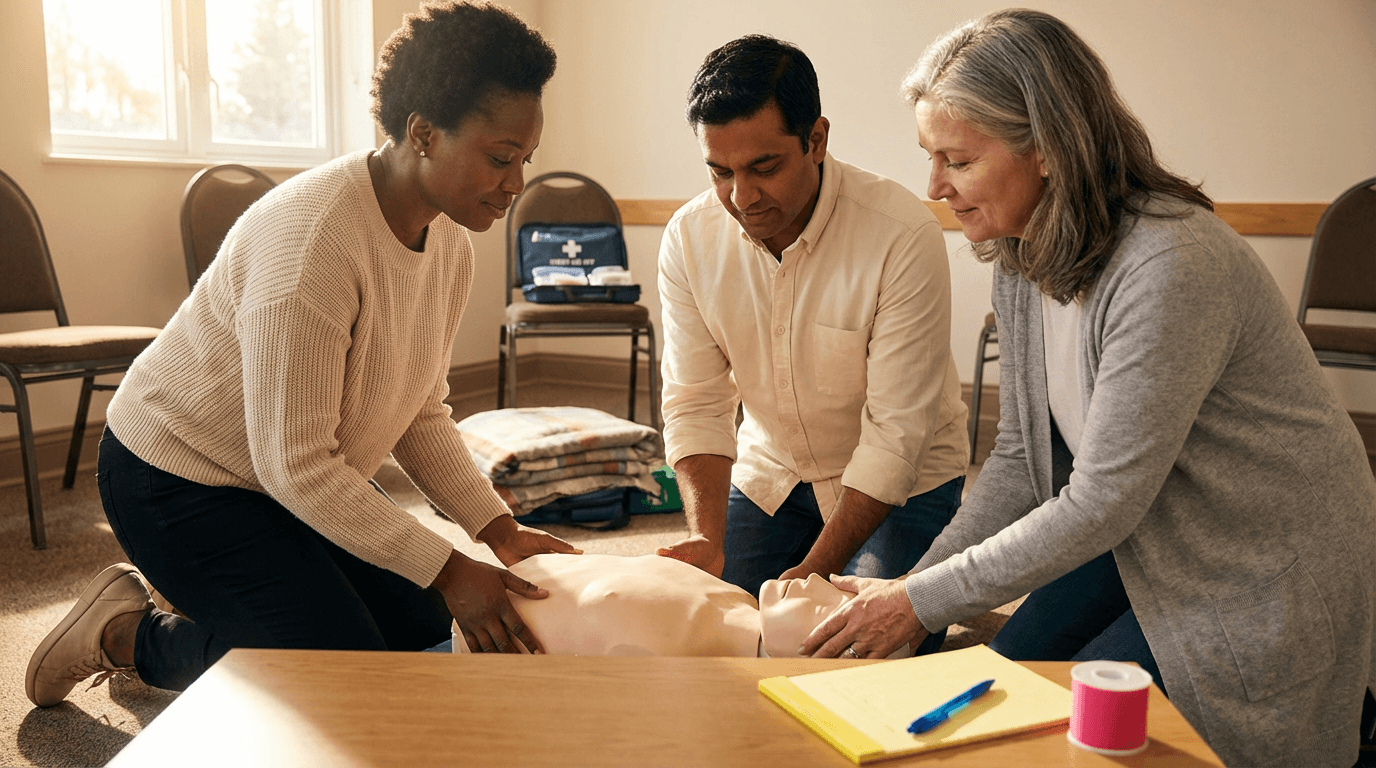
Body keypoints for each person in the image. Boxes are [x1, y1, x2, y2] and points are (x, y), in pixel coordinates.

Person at [799, 9, 1376, 767]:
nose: (934, 186)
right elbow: (1017, 456)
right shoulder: (1020, 254)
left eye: (957, 160)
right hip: (1147, 535)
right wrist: (917, 587)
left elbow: (1102, 501)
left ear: (1047, 149)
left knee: (1067, 736)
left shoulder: (1170, 263)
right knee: (994, 689)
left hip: (1254, 561)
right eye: (929, 157)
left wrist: (917, 601)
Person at [26, 0, 580, 708]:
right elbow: (295, 465)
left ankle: (240, 602)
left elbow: (420, 411)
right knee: (346, 678)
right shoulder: (313, 241)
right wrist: (448, 569)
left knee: (428, 637)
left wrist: (496, 528)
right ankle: (126, 633)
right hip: (175, 478)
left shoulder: (449, 242)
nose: (516, 183)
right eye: (500, 158)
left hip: (290, 476)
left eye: (525, 159)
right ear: (422, 134)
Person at [654, 33, 970, 644]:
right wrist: (706, 540)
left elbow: (895, 438)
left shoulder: (900, 233)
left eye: (764, 167)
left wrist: (812, 574)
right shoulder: (690, 237)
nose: (741, 197)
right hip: (773, 474)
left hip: (906, 483)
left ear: (816, 140)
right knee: (711, 631)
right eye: (720, 172)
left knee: (853, 648)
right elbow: (696, 404)